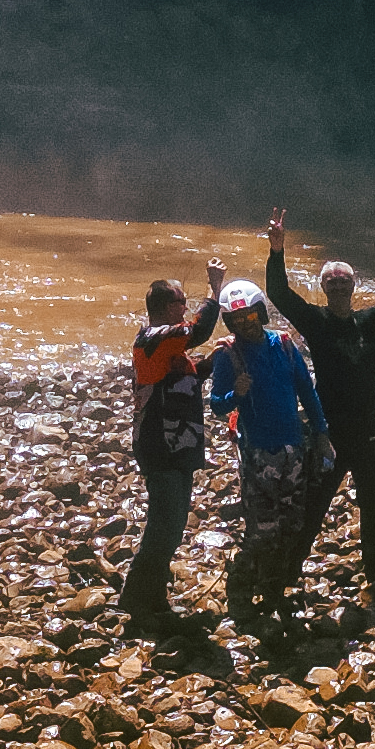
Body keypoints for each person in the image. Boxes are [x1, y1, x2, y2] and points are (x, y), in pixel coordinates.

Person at [262, 209, 375, 629]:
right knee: (313, 504)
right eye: (331, 283)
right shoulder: (317, 324)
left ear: (354, 287)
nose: (338, 287)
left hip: (367, 430)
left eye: (343, 282)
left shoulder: (371, 324)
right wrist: (277, 250)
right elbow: (280, 294)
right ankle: (284, 576)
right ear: (323, 289)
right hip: (326, 432)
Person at [202, 279, 330, 644]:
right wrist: (233, 393)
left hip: (292, 447)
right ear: (229, 322)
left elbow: (307, 392)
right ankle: (242, 589)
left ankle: (275, 586)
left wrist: (321, 434)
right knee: (262, 526)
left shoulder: (284, 347)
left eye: (249, 315)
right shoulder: (228, 355)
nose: (245, 323)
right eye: (237, 319)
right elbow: (217, 405)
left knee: (292, 522)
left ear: (261, 312)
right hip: (257, 450)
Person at [121, 259, 226, 641]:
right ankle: (137, 598)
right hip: (159, 444)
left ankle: (154, 598)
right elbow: (197, 331)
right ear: (168, 307)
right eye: (183, 301)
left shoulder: (169, 347)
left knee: (174, 523)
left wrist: (221, 356)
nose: (186, 307)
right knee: (164, 524)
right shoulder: (153, 338)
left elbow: (193, 373)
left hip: (178, 444)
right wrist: (215, 291)